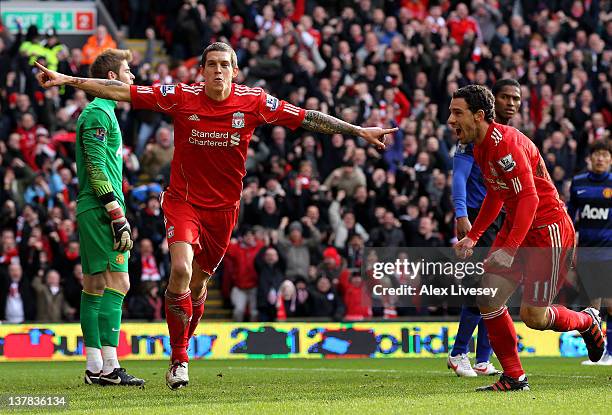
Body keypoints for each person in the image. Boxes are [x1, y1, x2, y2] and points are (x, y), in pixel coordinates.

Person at [35, 41, 396, 389]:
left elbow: (306, 118)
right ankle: (179, 361)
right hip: (183, 202)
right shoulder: (181, 96)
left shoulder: (254, 101)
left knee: (198, 286)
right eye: (212, 65)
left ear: (235, 71)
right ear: (202, 72)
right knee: (180, 269)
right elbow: (123, 90)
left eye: (225, 65)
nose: (219, 71)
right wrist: (67, 80)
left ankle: (178, 347)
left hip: (223, 211)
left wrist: (357, 131)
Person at [450, 85, 604, 391]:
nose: (450, 120)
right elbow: (496, 192)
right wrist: (474, 236)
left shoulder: (505, 144)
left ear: (479, 116)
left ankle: (588, 321)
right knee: (488, 297)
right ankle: (514, 377)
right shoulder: (480, 147)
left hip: (548, 230)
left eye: (457, 113)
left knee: (533, 316)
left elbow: (530, 200)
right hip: (517, 224)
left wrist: (509, 248)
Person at [72, 49, 144, 386]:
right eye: (128, 71)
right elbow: (95, 166)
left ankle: (95, 367)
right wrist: (116, 214)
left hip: (95, 206)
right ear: (111, 79)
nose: (133, 77)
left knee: (95, 285)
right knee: (119, 282)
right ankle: (111, 367)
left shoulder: (104, 113)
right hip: (101, 208)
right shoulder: (99, 112)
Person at [448, 79, 521, 377]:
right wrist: (461, 213)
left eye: (515, 98)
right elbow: (459, 175)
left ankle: (482, 358)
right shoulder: (471, 137)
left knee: (498, 288)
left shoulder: (509, 136)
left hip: (503, 218)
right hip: (480, 217)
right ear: (490, 105)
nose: (511, 103)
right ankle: (458, 352)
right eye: (505, 97)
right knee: (484, 286)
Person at [568, 141, 612, 365]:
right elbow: (570, 215)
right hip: (587, 252)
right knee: (593, 306)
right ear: (590, 158)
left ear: (610, 159)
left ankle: (608, 352)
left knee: (609, 303)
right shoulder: (578, 183)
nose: (601, 159)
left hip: (609, 251)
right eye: (597, 154)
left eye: (605, 155)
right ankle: (601, 352)